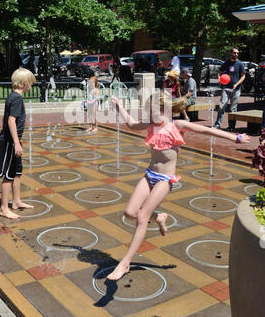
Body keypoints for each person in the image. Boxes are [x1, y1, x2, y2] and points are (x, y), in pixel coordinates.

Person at [107, 90, 250, 281]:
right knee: (130, 213)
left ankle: (125, 263)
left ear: (165, 110)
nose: (150, 116)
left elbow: (208, 131)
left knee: (142, 216)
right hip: (149, 175)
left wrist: (235, 138)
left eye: (153, 112)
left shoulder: (178, 125)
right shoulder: (152, 125)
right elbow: (132, 125)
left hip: (165, 180)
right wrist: (119, 107)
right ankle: (159, 217)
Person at [0, 68, 36, 219]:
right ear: (25, 83)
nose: (31, 86)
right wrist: (17, 143)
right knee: (9, 175)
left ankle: (16, 201)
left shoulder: (13, 96)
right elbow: (11, 120)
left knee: (17, 171)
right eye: (30, 83)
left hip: (13, 140)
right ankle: (3, 208)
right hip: (11, 142)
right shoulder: (17, 98)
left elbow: (6, 119)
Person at [213, 47, 245, 131]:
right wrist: (220, 80)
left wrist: (237, 84)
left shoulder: (240, 64)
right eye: (234, 53)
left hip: (236, 90)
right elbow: (219, 72)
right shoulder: (226, 63)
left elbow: (243, 76)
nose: (236, 54)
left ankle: (231, 127)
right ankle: (217, 124)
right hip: (226, 88)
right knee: (221, 106)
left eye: (237, 53)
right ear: (231, 53)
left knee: (233, 109)